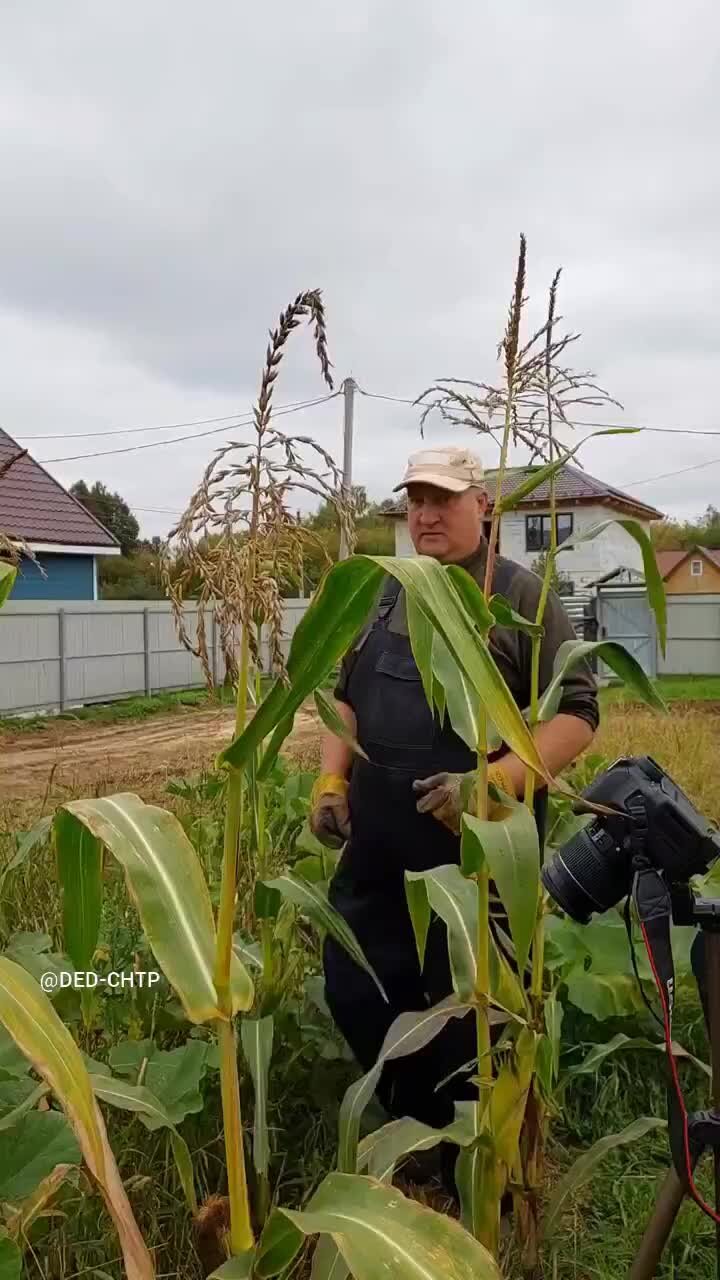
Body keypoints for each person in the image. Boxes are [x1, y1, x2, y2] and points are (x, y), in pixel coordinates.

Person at [310, 445, 599, 1148]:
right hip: (377, 851)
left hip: (477, 860)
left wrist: (491, 782)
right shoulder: (378, 592)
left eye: (443, 499)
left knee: (468, 1014)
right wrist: (330, 778)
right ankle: (413, 1130)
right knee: (355, 986)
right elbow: (343, 701)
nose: (425, 514)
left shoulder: (520, 596)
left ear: (485, 505)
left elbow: (577, 715)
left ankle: (473, 1166)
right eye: (416, 499)